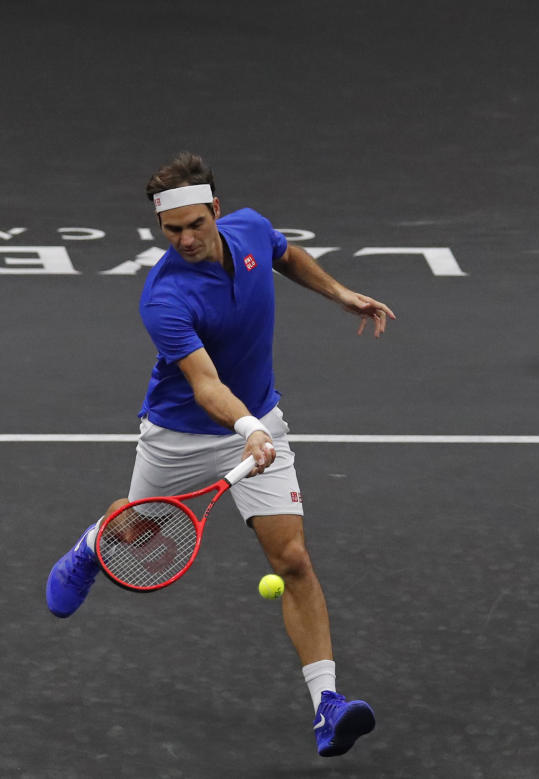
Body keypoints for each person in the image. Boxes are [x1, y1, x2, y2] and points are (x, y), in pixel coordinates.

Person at [45, 151, 396, 757]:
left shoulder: (253, 228)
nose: (184, 239)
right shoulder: (164, 297)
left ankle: (327, 706)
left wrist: (339, 293)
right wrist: (247, 428)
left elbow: (284, 255)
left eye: (194, 225)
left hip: (260, 422)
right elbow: (205, 384)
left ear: (216, 211)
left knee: (292, 561)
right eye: (171, 230)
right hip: (179, 437)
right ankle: (95, 540)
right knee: (137, 532)